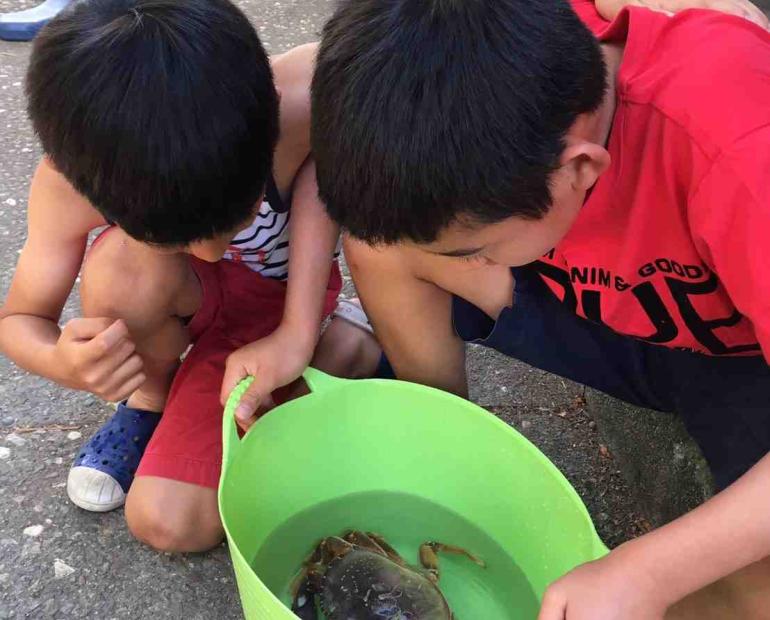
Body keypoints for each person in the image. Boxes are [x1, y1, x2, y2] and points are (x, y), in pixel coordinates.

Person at [310, 0, 770, 617]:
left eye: (474, 249)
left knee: (748, 584)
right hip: (622, 311)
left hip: (738, 360)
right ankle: (449, 457)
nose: (467, 263)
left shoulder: (741, 153)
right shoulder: (507, 49)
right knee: (383, 247)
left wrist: (646, 570)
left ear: (579, 167)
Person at [0, 0, 374, 552]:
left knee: (174, 520)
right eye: (177, 237)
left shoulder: (306, 101)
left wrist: (294, 331)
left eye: (239, 213)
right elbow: (20, 318)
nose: (211, 249)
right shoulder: (72, 180)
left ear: (270, 111)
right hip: (185, 302)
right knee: (123, 269)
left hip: (280, 299)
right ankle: (150, 399)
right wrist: (61, 361)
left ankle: (339, 337)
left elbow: (343, 170)